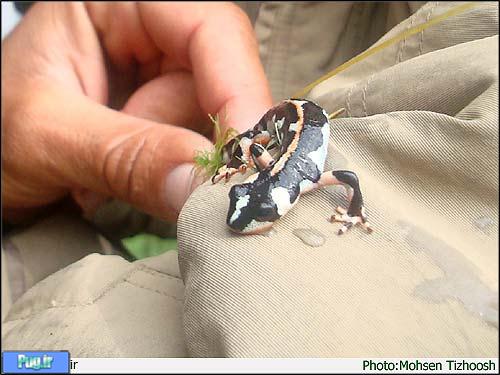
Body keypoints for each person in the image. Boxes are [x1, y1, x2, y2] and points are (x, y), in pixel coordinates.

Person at [2, 1, 498, 358]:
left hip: (298, 121)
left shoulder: (306, 180)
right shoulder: (290, 178)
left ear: (286, 198)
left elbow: (346, 176)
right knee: (248, 144)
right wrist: (243, 162)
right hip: (280, 123)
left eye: (257, 210)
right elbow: (296, 166)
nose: (246, 218)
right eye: (250, 205)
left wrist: (355, 208)